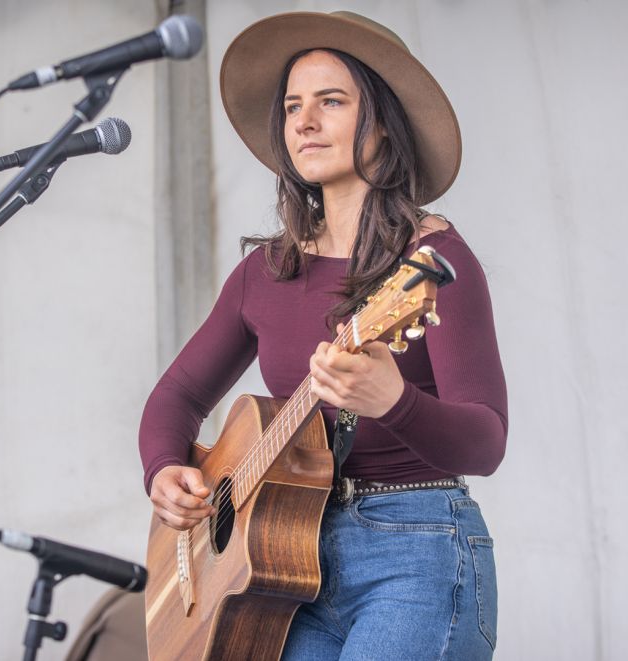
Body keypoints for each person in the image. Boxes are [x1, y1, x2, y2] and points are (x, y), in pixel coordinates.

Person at [138, 11, 507, 660]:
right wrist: (165, 468)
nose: (303, 122)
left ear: (385, 124)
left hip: (416, 550)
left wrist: (394, 400)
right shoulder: (263, 272)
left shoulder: (433, 261)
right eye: (292, 107)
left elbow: (486, 439)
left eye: (330, 102)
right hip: (282, 563)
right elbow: (176, 396)